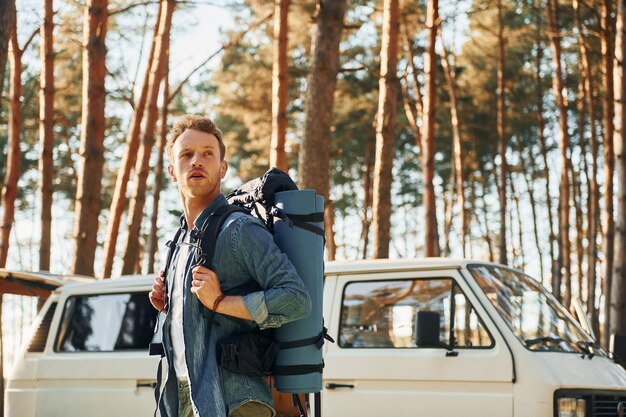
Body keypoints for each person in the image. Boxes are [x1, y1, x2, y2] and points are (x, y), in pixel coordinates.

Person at [149, 114, 311, 417]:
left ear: (222, 168)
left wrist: (221, 301)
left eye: (207, 153)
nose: (197, 161)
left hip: (236, 402)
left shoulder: (239, 229)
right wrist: (167, 304)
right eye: (186, 154)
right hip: (183, 395)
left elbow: (296, 299)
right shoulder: (180, 238)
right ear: (172, 170)